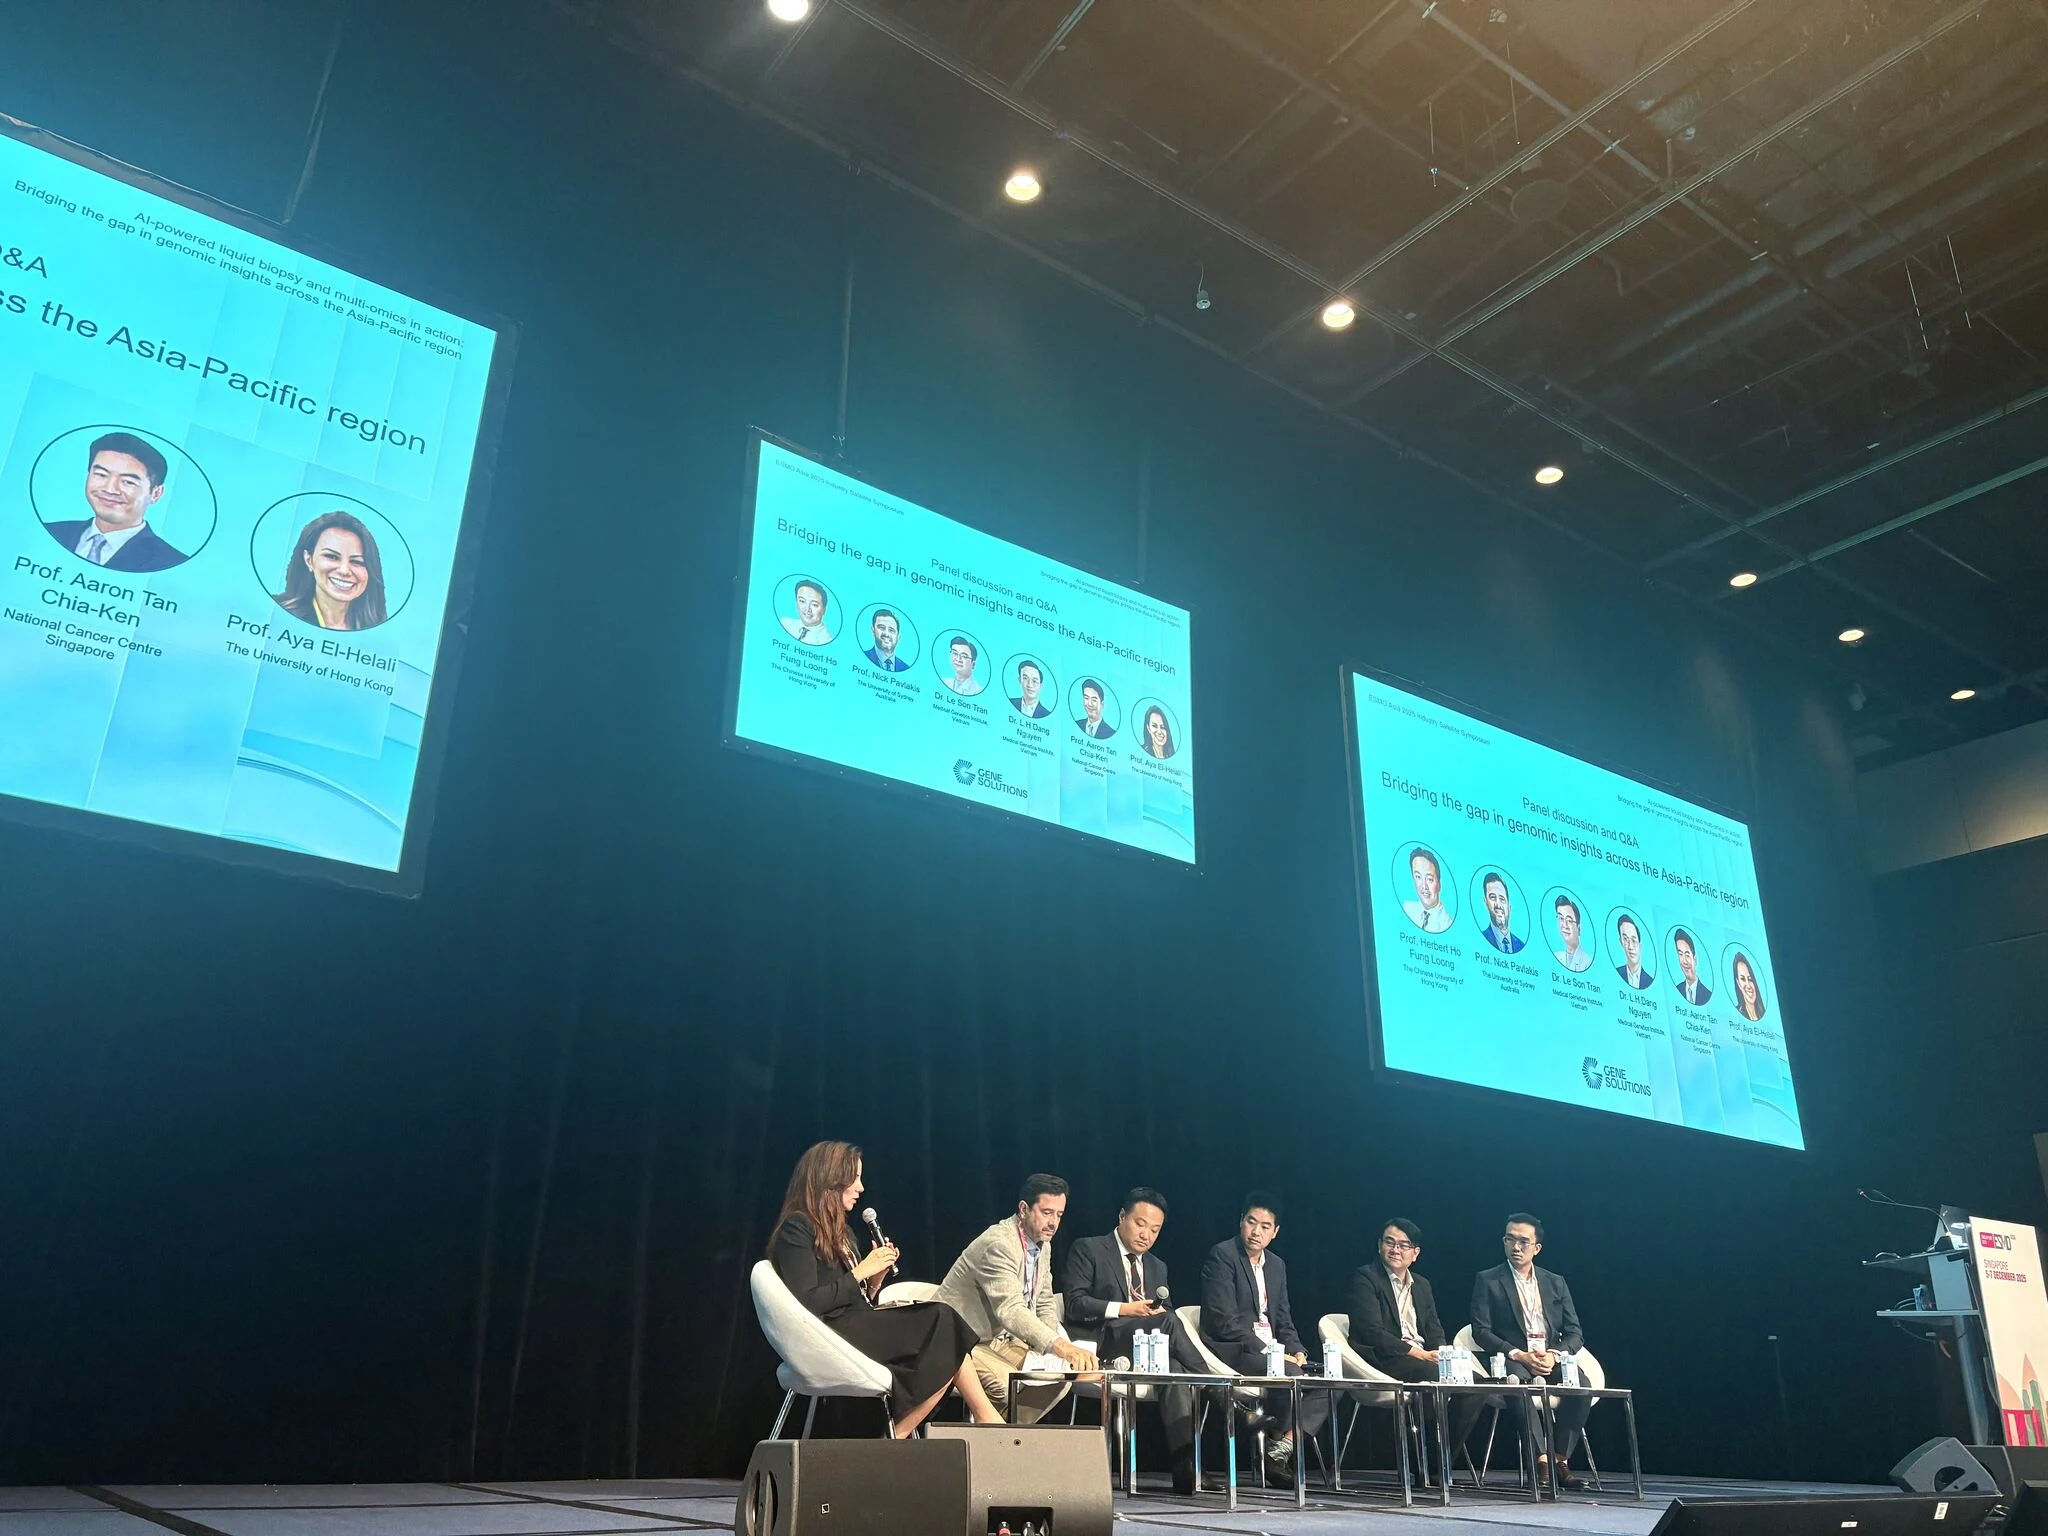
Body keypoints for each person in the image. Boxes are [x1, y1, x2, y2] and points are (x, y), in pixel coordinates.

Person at [765, 1141, 1001, 1439]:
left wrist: (875, 1280)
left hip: (851, 1324)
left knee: (946, 1334)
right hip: (827, 1334)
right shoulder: (797, 1227)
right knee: (942, 1319)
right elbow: (807, 1303)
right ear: (831, 1179)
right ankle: (975, 1419)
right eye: (855, 1178)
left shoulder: (841, 1232)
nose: (861, 1188)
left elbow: (857, 1301)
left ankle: (902, 1435)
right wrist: (861, 1270)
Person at [1062, 1188, 1203, 1493]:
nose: (1146, 1235)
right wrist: (1127, 1309)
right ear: (1122, 1216)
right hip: (1103, 1344)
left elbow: (1163, 1315)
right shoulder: (1089, 1248)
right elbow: (1075, 1304)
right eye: (1140, 1224)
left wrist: (1157, 1314)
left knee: (1176, 1367)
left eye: (1155, 1230)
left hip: (1149, 1349)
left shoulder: (1157, 1266)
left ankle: (1185, 1467)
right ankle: (1217, 1388)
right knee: (1170, 1321)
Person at [935, 1174, 1096, 1424]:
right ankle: (997, 1438)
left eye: (1059, 1215)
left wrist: (1054, 1353)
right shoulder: (999, 1244)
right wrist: (1061, 1347)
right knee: (1005, 1385)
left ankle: (1008, 1438)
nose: (1053, 1223)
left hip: (998, 1340)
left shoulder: (1043, 1245)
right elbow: (1010, 1310)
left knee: (1059, 1380)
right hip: (960, 1339)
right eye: (1046, 1213)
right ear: (1023, 1209)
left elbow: (1044, 1302)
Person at [1199, 1193, 1329, 1486]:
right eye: (1251, 1222)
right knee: (1287, 1372)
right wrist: (1272, 1352)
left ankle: (1280, 1449)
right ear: (1241, 1222)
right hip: (1233, 1350)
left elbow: (1283, 1318)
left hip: (1272, 1352)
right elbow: (1224, 1322)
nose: (1256, 1231)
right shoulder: (1223, 1256)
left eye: (1265, 1226)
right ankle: (1274, 1452)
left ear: (1275, 1232)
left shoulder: (1277, 1265)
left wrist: (1296, 1350)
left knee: (1329, 1383)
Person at [1469, 1213, 1592, 1489]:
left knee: (1582, 1386)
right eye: (1510, 1239)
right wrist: (1518, 1354)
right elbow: (1481, 1331)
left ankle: (1560, 1459)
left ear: (1536, 1248)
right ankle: (1541, 1460)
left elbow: (1575, 1333)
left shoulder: (1555, 1282)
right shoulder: (1488, 1279)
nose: (1516, 1247)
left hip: (1549, 1357)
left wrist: (1554, 1355)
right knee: (1518, 1386)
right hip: (1513, 1357)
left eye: (1523, 1242)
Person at [43, 431, 189, 572]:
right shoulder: (49, 532)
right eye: (101, 475)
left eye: (128, 482)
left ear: (156, 494)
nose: (110, 489)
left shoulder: (173, 564)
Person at [272, 512, 390, 631]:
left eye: (357, 562)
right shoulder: (275, 613)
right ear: (309, 560)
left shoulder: (380, 631)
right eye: (332, 557)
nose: (344, 571)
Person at [1402, 848, 1453, 933]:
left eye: (1429, 879)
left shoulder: (1448, 924)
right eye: (1418, 877)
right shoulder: (1406, 908)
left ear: (1439, 884)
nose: (1424, 886)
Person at [1480, 873, 1525, 954]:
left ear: (1509, 907)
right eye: (1493, 897)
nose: (1498, 905)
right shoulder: (1481, 938)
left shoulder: (1521, 946)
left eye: (1502, 899)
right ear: (1486, 903)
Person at [1552, 896, 1593, 973]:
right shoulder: (1555, 957)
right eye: (1561, 918)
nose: (1565, 925)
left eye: (1569, 920)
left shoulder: (1588, 963)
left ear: (1578, 928)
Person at [1672, 929, 1713, 1006]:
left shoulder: (1707, 995)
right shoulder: (1676, 991)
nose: (1684, 961)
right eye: (1680, 954)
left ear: (1695, 959)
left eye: (1687, 955)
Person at [1613, 916, 1654, 990]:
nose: (1630, 947)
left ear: (1640, 946)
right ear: (1621, 942)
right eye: (1625, 939)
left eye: (1634, 940)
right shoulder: (1616, 974)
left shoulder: (1650, 981)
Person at [1733, 953, 1767, 1021]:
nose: (1748, 986)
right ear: (1738, 983)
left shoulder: (1763, 1014)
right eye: (1743, 979)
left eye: (1750, 979)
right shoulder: (1736, 1015)